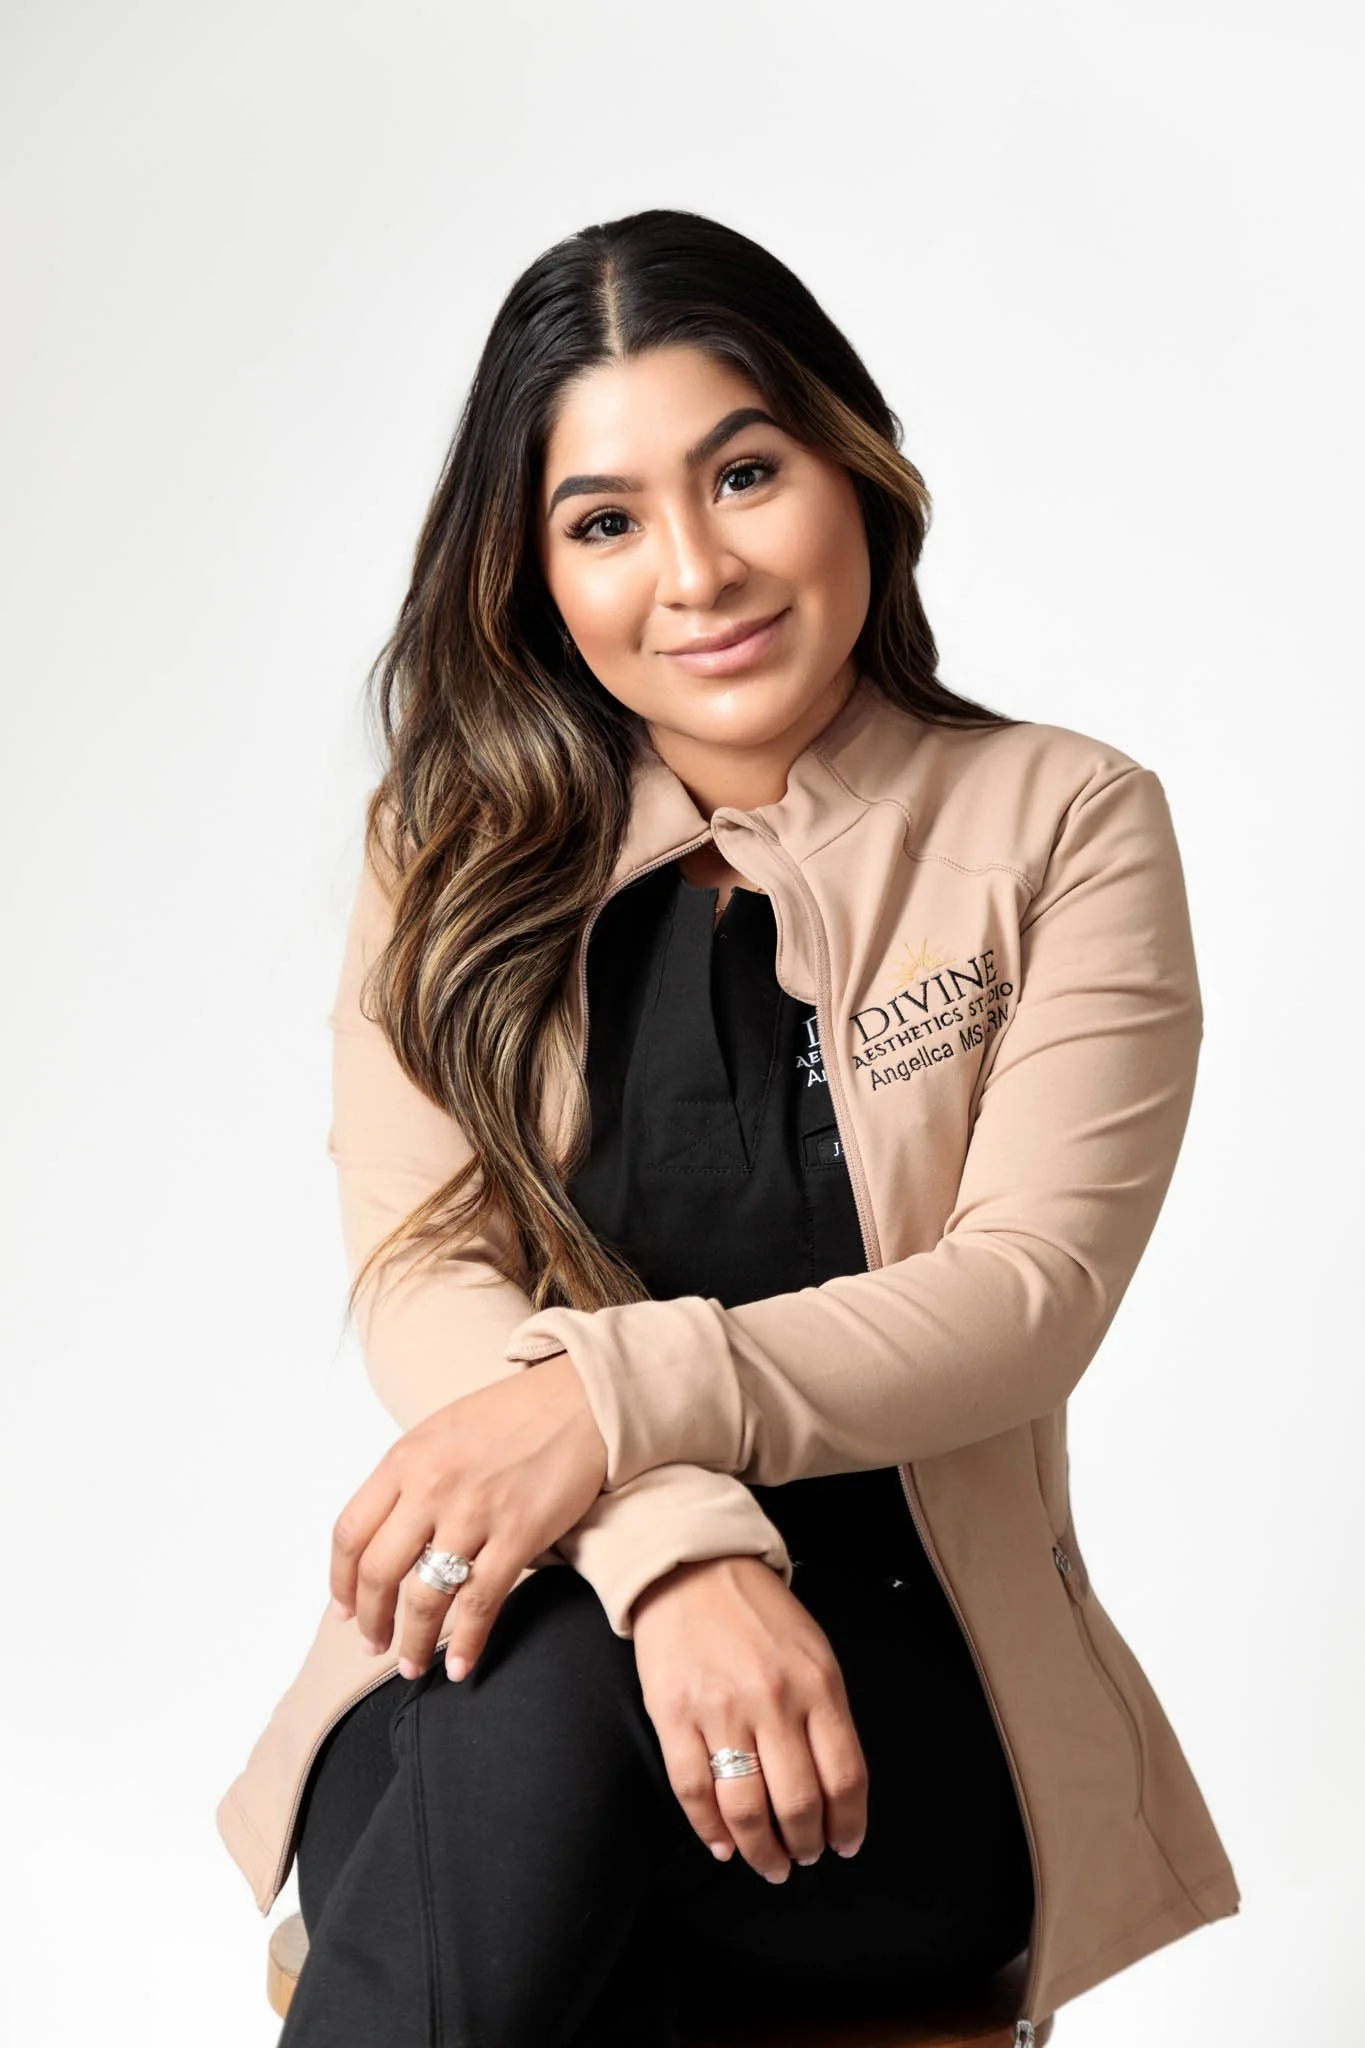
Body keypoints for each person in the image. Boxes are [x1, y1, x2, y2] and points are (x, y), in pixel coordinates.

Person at [218, 207, 1239, 2048]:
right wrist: (673, 1549)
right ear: (535, 573)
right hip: (545, 1624)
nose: (694, 570)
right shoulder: (446, 861)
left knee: (495, 1782)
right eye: (604, 519)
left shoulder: (1062, 822)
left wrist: (608, 1406)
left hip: (898, 1739)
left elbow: (1029, 1291)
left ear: (852, 464)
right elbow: (424, 1271)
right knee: (511, 1715)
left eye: (743, 472)